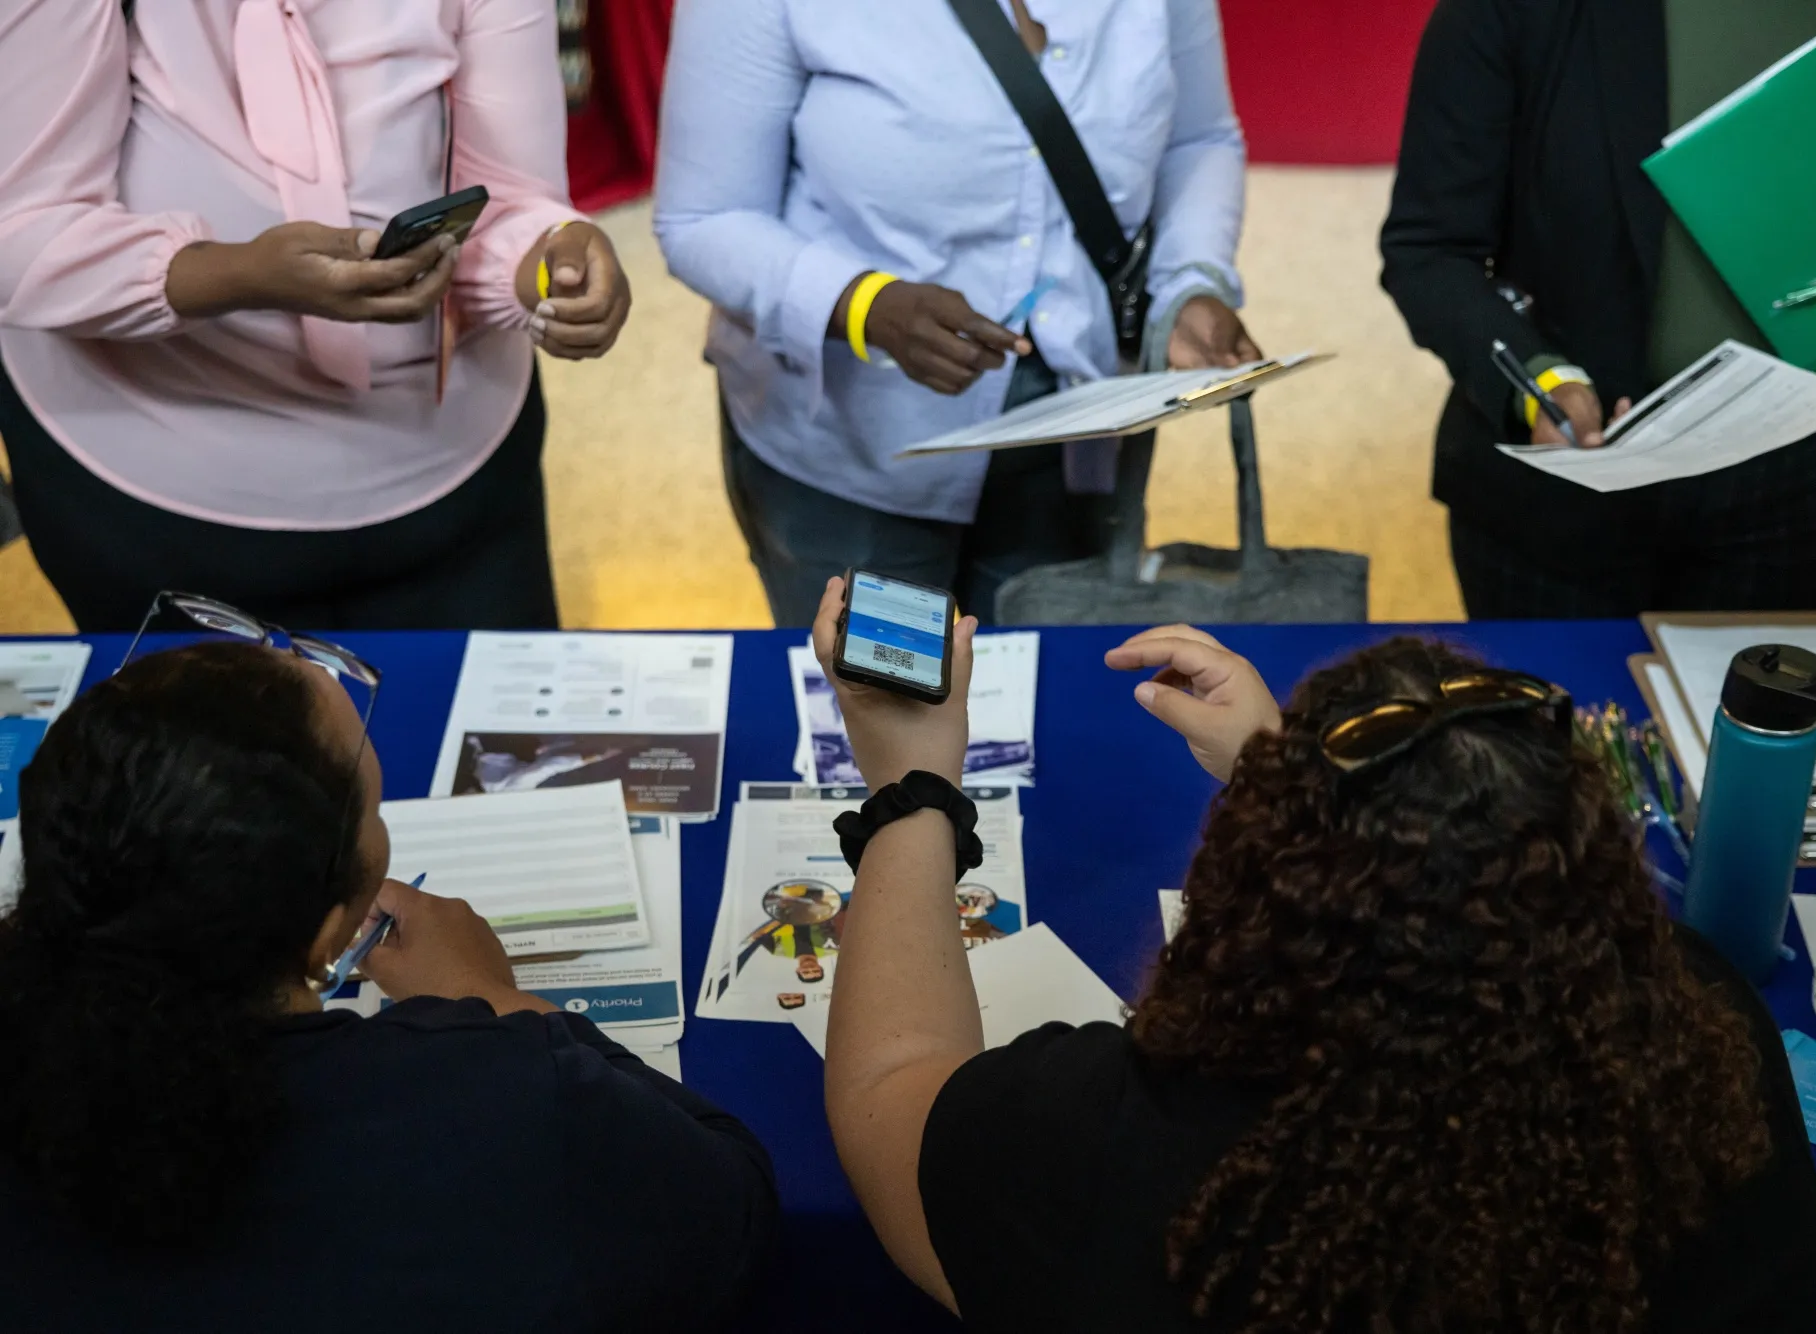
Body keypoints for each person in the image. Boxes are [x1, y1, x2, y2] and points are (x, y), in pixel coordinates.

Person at [811, 591, 1816, 1331]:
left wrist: (911, 786)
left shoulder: (1110, 1154)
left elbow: (887, 1086)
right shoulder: (1705, 1050)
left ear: (1260, 893)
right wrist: (1316, 782)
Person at [0, 640, 775, 1331]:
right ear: (324, 934)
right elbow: (731, 1207)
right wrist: (498, 1002)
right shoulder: (506, 1102)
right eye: (371, 806)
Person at [0, 0, 634, 632]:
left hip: (455, 473)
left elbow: (511, 196)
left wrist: (553, 268)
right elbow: (22, 229)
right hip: (157, 491)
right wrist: (239, 275)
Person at [1379, 0, 1816, 618]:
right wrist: (1539, 380)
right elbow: (1430, 250)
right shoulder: (1511, 15)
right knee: (1554, 714)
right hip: (1563, 492)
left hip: (1795, 483)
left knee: (1749, 715)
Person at [654, 0, 1261, 626]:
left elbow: (1198, 138)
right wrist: (861, 304)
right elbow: (704, 219)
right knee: (884, 701)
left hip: (1078, 427)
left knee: (1037, 698)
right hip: (857, 445)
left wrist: (1191, 280)